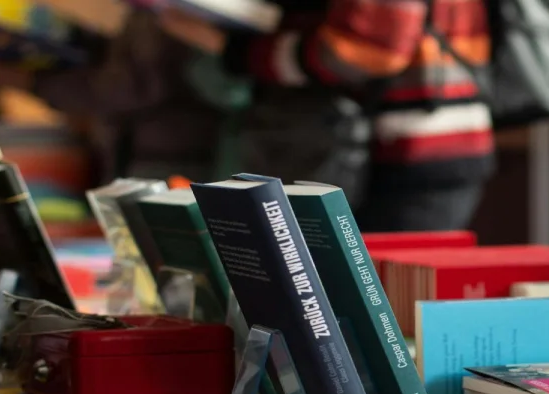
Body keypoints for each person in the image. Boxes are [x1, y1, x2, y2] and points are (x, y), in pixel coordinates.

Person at [160, 0, 494, 232]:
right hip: (409, 142)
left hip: (407, 151)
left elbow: (368, 52)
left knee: (378, 312)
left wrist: (235, 49)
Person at [0, 9, 226, 183]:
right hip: (142, 149)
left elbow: (134, 87)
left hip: (171, 156)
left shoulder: (177, 10)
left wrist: (29, 80)